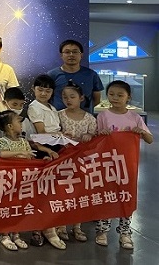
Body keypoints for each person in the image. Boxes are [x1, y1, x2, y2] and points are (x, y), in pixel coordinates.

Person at [95, 80, 153, 250]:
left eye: (120, 95)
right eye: (111, 94)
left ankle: (125, 232)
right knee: (106, 196)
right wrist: (101, 134)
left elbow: (150, 139)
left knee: (126, 196)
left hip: (128, 166)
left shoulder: (135, 117)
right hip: (107, 165)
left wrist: (141, 132)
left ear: (128, 97)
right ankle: (102, 231)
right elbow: (96, 139)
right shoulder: (103, 116)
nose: (115, 98)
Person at [57, 80, 96, 243]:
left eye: (72, 96)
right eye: (65, 97)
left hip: (82, 162)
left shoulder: (89, 118)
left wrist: (90, 136)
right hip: (63, 161)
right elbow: (53, 133)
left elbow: (95, 139)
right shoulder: (59, 115)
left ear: (81, 98)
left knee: (79, 193)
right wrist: (61, 135)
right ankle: (61, 225)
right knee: (62, 192)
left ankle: (77, 226)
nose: (68, 100)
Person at [0, 110, 34, 251]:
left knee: (19, 207)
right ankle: (4, 234)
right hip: (8, 181)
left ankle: (16, 233)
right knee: (7, 206)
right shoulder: (2, 141)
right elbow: (3, 154)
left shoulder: (24, 141)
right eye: (18, 121)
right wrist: (20, 152)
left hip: (22, 181)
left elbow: (31, 157)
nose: (21, 124)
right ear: (10, 126)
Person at [47, 40, 103, 113]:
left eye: (75, 52)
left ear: (81, 55)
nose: (71, 55)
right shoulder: (51, 75)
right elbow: (46, 98)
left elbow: (96, 100)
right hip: (57, 118)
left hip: (85, 118)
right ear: (61, 55)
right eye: (67, 52)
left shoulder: (91, 75)